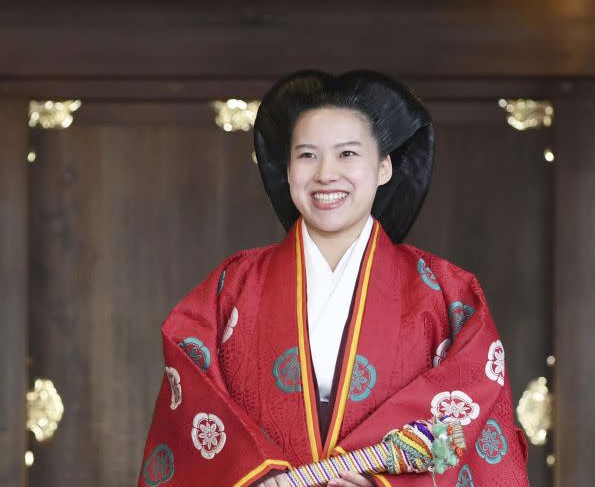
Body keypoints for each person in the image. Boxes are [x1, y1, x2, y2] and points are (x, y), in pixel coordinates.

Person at [137, 70, 528, 487]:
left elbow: (475, 408)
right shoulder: (231, 286)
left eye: (347, 154)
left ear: (383, 167)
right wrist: (255, 476)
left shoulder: (446, 292)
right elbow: (192, 397)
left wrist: (386, 482)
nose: (325, 174)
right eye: (307, 155)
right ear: (287, 170)